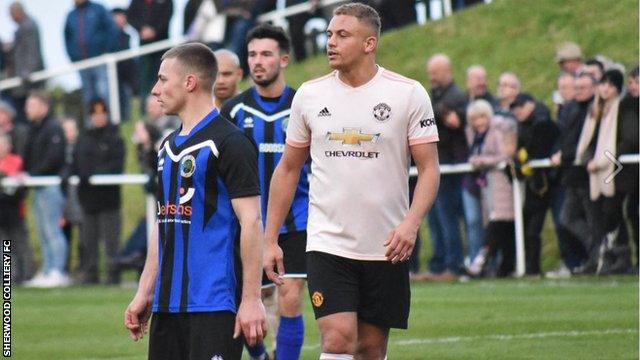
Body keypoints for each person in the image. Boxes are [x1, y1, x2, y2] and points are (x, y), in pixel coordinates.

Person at [263, 4, 440, 359]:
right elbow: (287, 169)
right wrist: (270, 239)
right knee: (338, 340)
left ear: (369, 43)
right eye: (330, 34)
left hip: (387, 244)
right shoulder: (310, 96)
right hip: (328, 243)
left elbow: (430, 169)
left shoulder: (408, 94)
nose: (331, 42)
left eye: (342, 35)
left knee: (371, 349)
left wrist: (410, 224)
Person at [124, 43, 266, 359]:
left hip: (214, 304)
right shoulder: (166, 148)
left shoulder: (230, 143)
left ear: (190, 83)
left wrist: (251, 299)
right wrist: (145, 291)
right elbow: (164, 224)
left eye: (162, 79)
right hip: (167, 305)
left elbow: (252, 222)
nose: (154, 89)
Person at [221, 23, 308, 360]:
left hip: (296, 219)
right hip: (248, 224)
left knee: (289, 295)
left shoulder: (305, 105)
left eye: (266, 54)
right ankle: (259, 357)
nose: (258, 61)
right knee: (244, 298)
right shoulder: (234, 111)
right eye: (253, 54)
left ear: (284, 59)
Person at [423, 53, 467, 280]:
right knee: (435, 218)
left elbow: (454, 122)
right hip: (437, 163)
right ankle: (438, 264)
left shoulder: (457, 96)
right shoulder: (439, 95)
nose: (431, 76)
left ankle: (453, 263)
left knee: (447, 217)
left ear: (446, 71)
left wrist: (436, 111)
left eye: (435, 72)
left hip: (449, 165)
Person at [73, 99, 125, 284]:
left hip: (108, 198)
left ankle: (113, 275)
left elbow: (116, 165)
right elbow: (75, 162)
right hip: (88, 199)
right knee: (88, 240)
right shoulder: (83, 138)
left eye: (102, 115)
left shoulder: (115, 138)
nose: (99, 118)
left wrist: (94, 174)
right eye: (95, 115)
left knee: (112, 240)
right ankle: (90, 274)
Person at [464, 100, 518, 277]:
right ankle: (504, 266)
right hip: (487, 182)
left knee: (499, 221)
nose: (479, 122)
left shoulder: (497, 130)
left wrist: (483, 161)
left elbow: (505, 154)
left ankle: (481, 262)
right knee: (499, 224)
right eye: (475, 119)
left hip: (501, 181)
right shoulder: (473, 134)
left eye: (482, 117)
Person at [22, 91, 70, 287]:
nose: (28, 109)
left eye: (32, 105)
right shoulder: (35, 129)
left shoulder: (53, 128)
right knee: (43, 231)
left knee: (52, 230)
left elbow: (54, 158)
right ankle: (49, 269)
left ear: (44, 106)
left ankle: (58, 270)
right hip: (38, 186)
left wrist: (32, 174)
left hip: (49, 185)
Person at [64, 0, 118, 120]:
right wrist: (74, 57)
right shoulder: (71, 15)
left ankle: (110, 121)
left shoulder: (98, 9)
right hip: (82, 63)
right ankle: (91, 125)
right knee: (88, 96)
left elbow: (112, 29)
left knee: (103, 92)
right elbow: (67, 38)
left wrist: (107, 50)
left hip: (99, 60)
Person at [0, 131, 34, 284]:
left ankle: (27, 274)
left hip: (14, 211)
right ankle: (10, 275)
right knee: (4, 246)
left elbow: (19, 186)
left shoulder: (16, 161)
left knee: (20, 244)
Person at [6, 2, 44, 125]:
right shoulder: (24, 26)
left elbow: (32, 52)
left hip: (27, 82)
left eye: (11, 14)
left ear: (18, 12)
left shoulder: (28, 26)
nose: (11, 18)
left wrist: (26, 73)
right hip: (24, 80)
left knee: (26, 119)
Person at [127, 0, 174, 102]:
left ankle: (166, 104)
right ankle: (145, 109)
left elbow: (168, 14)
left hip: (162, 46)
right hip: (144, 47)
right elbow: (130, 16)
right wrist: (141, 29)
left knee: (164, 76)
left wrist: (155, 31)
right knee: (145, 80)